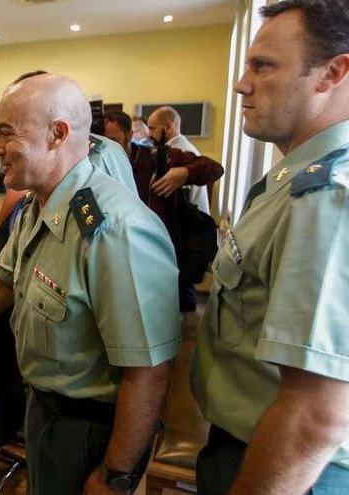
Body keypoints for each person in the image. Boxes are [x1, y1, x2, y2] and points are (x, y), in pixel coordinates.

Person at [0, 73, 180, 494]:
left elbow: (149, 372)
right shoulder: (41, 204)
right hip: (44, 410)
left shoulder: (117, 229)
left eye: (6, 134)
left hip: (90, 431)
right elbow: (6, 275)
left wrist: (116, 474)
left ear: (58, 134)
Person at [191, 1, 349, 493]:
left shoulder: (326, 197)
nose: (242, 84)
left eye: (262, 66)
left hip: (288, 468)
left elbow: (316, 416)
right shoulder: (293, 180)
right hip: (252, 445)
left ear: (332, 73)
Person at [105, 111, 223, 310]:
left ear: (128, 135)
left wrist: (185, 173)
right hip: (120, 255)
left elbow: (214, 168)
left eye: (113, 140)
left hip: (161, 254)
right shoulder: (98, 163)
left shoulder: (157, 159)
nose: (108, 148)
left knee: (173, 309)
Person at [147, 105, 211, 214]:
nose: (149, 135)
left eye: (152, 129)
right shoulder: (172, 150)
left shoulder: (180, 154)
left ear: (169, 126)